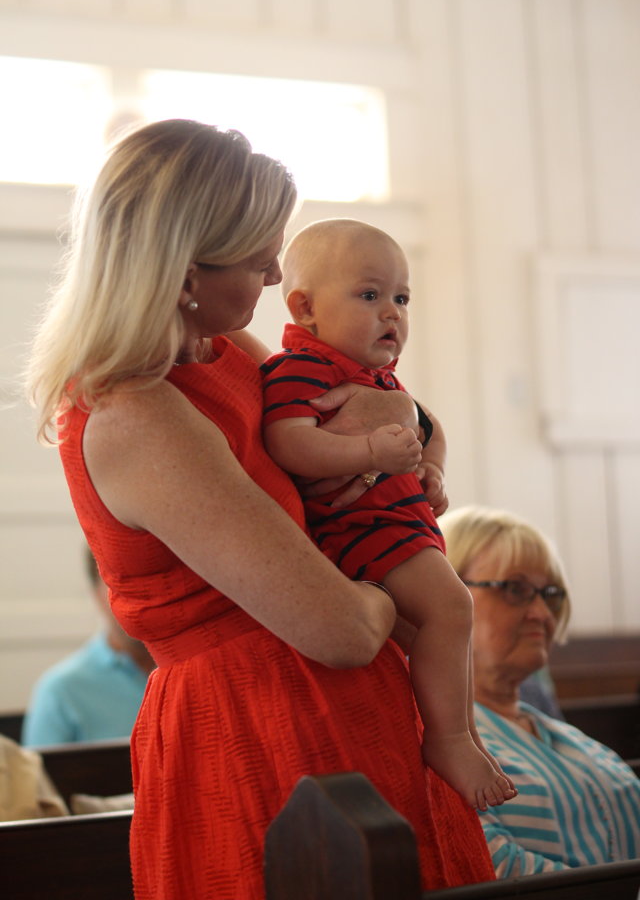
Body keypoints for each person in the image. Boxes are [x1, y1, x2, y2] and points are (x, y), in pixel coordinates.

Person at [26, 120, 496, 899]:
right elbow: (340, 631)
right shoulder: (135, 416)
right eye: (257, 258)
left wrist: (400, 423)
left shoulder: (222, 349)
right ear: (186, 272)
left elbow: (368, 405)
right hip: (260, 729)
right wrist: (387, 595)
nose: (277, 274)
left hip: (347, 713)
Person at [261, 218, 515, 811]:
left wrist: (433, 472)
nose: (392, 313)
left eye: (402, 298)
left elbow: (428, 427)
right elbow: (289, 442)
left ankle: (462, 732)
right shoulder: (299, 368)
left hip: (400, 528)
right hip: (364, 533)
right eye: (370, 294)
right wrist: (371, 452)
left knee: (440, 626)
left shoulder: (374, 376)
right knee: (453, 608)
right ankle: (450, 740)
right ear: (305, 308)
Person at [440, 504, 640, 876]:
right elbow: (490, 865)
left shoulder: (562, 734)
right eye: (515, 589)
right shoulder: (442, 743)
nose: (542, 614)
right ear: (443, 594)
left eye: (549, 593)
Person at [22, 548, 154, 746]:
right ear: (95, 592)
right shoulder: (61, 690)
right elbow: (39, 768)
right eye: (121, 584)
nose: (140, 599)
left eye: (151, 583)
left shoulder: (195, 672)